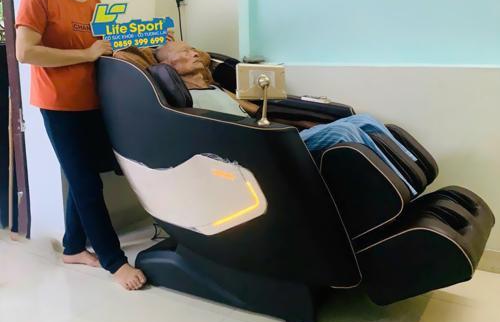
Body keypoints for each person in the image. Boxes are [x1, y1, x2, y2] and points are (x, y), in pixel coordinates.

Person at [15, 0, 146, 290]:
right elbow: (25, 51)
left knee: (85, 174)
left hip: (94, 102)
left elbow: (103, 46)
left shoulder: (94, 1)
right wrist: (85, 54)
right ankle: (113, 261)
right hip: (58, 105)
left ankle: (73, 247)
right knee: (86, 182)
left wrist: (142, 40)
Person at [155, 41, 418, 195]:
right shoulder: (187, 103)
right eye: (184, 52)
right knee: (343, 133)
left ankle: (408, 173)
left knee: (363, 121)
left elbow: (258, 111)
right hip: (262, 149)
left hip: (274, 136)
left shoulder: (216, 89)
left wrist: (305, 121)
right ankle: (394, 188)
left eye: (192, 49)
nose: (194, 53)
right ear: (167, 67)